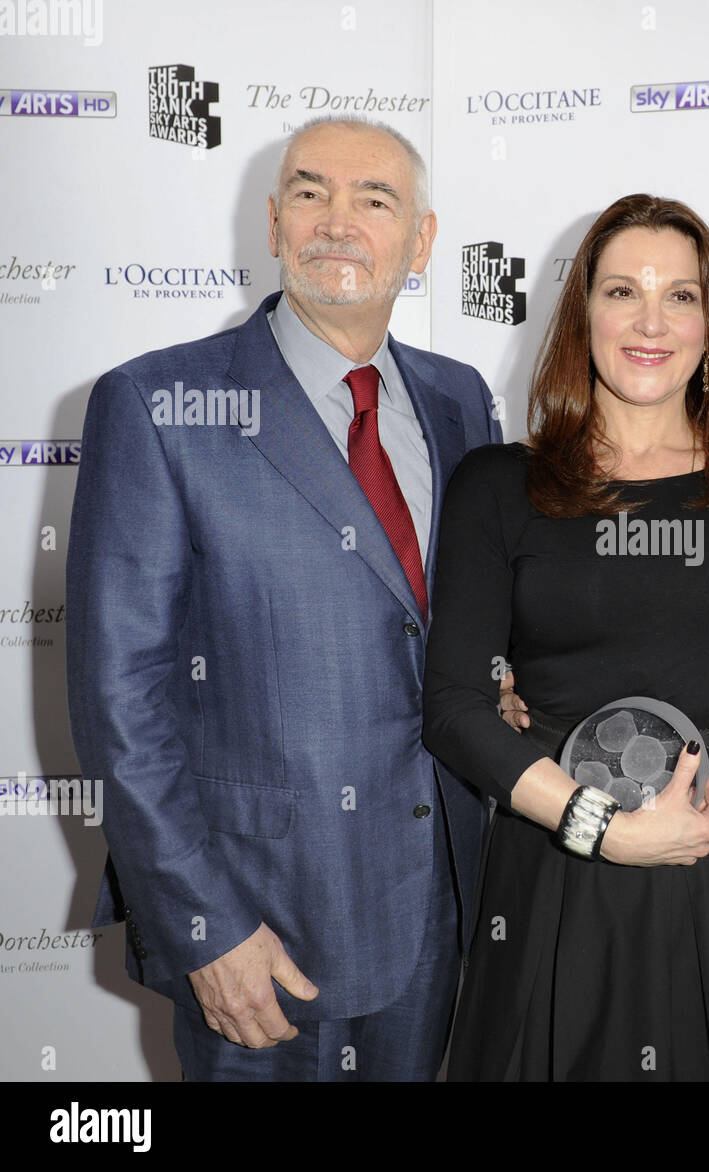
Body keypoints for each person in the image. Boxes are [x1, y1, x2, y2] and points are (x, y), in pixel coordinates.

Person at [66, 117, 499, 1080]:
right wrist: (203, 926)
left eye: (374, 199)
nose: (337, 222)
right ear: (272, 224)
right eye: (310, 193)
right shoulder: (158, 405)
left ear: (421, 240)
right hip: (262, 936)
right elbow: (119, 702)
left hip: (442, 911)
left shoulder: (460, 399)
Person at [423, 193, 709, 1080]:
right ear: (581, 313)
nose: (650, 322)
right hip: (560, 862)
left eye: (682, 296)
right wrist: (601, 827)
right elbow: (455, 707)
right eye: (623, 291)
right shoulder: (499, 485)